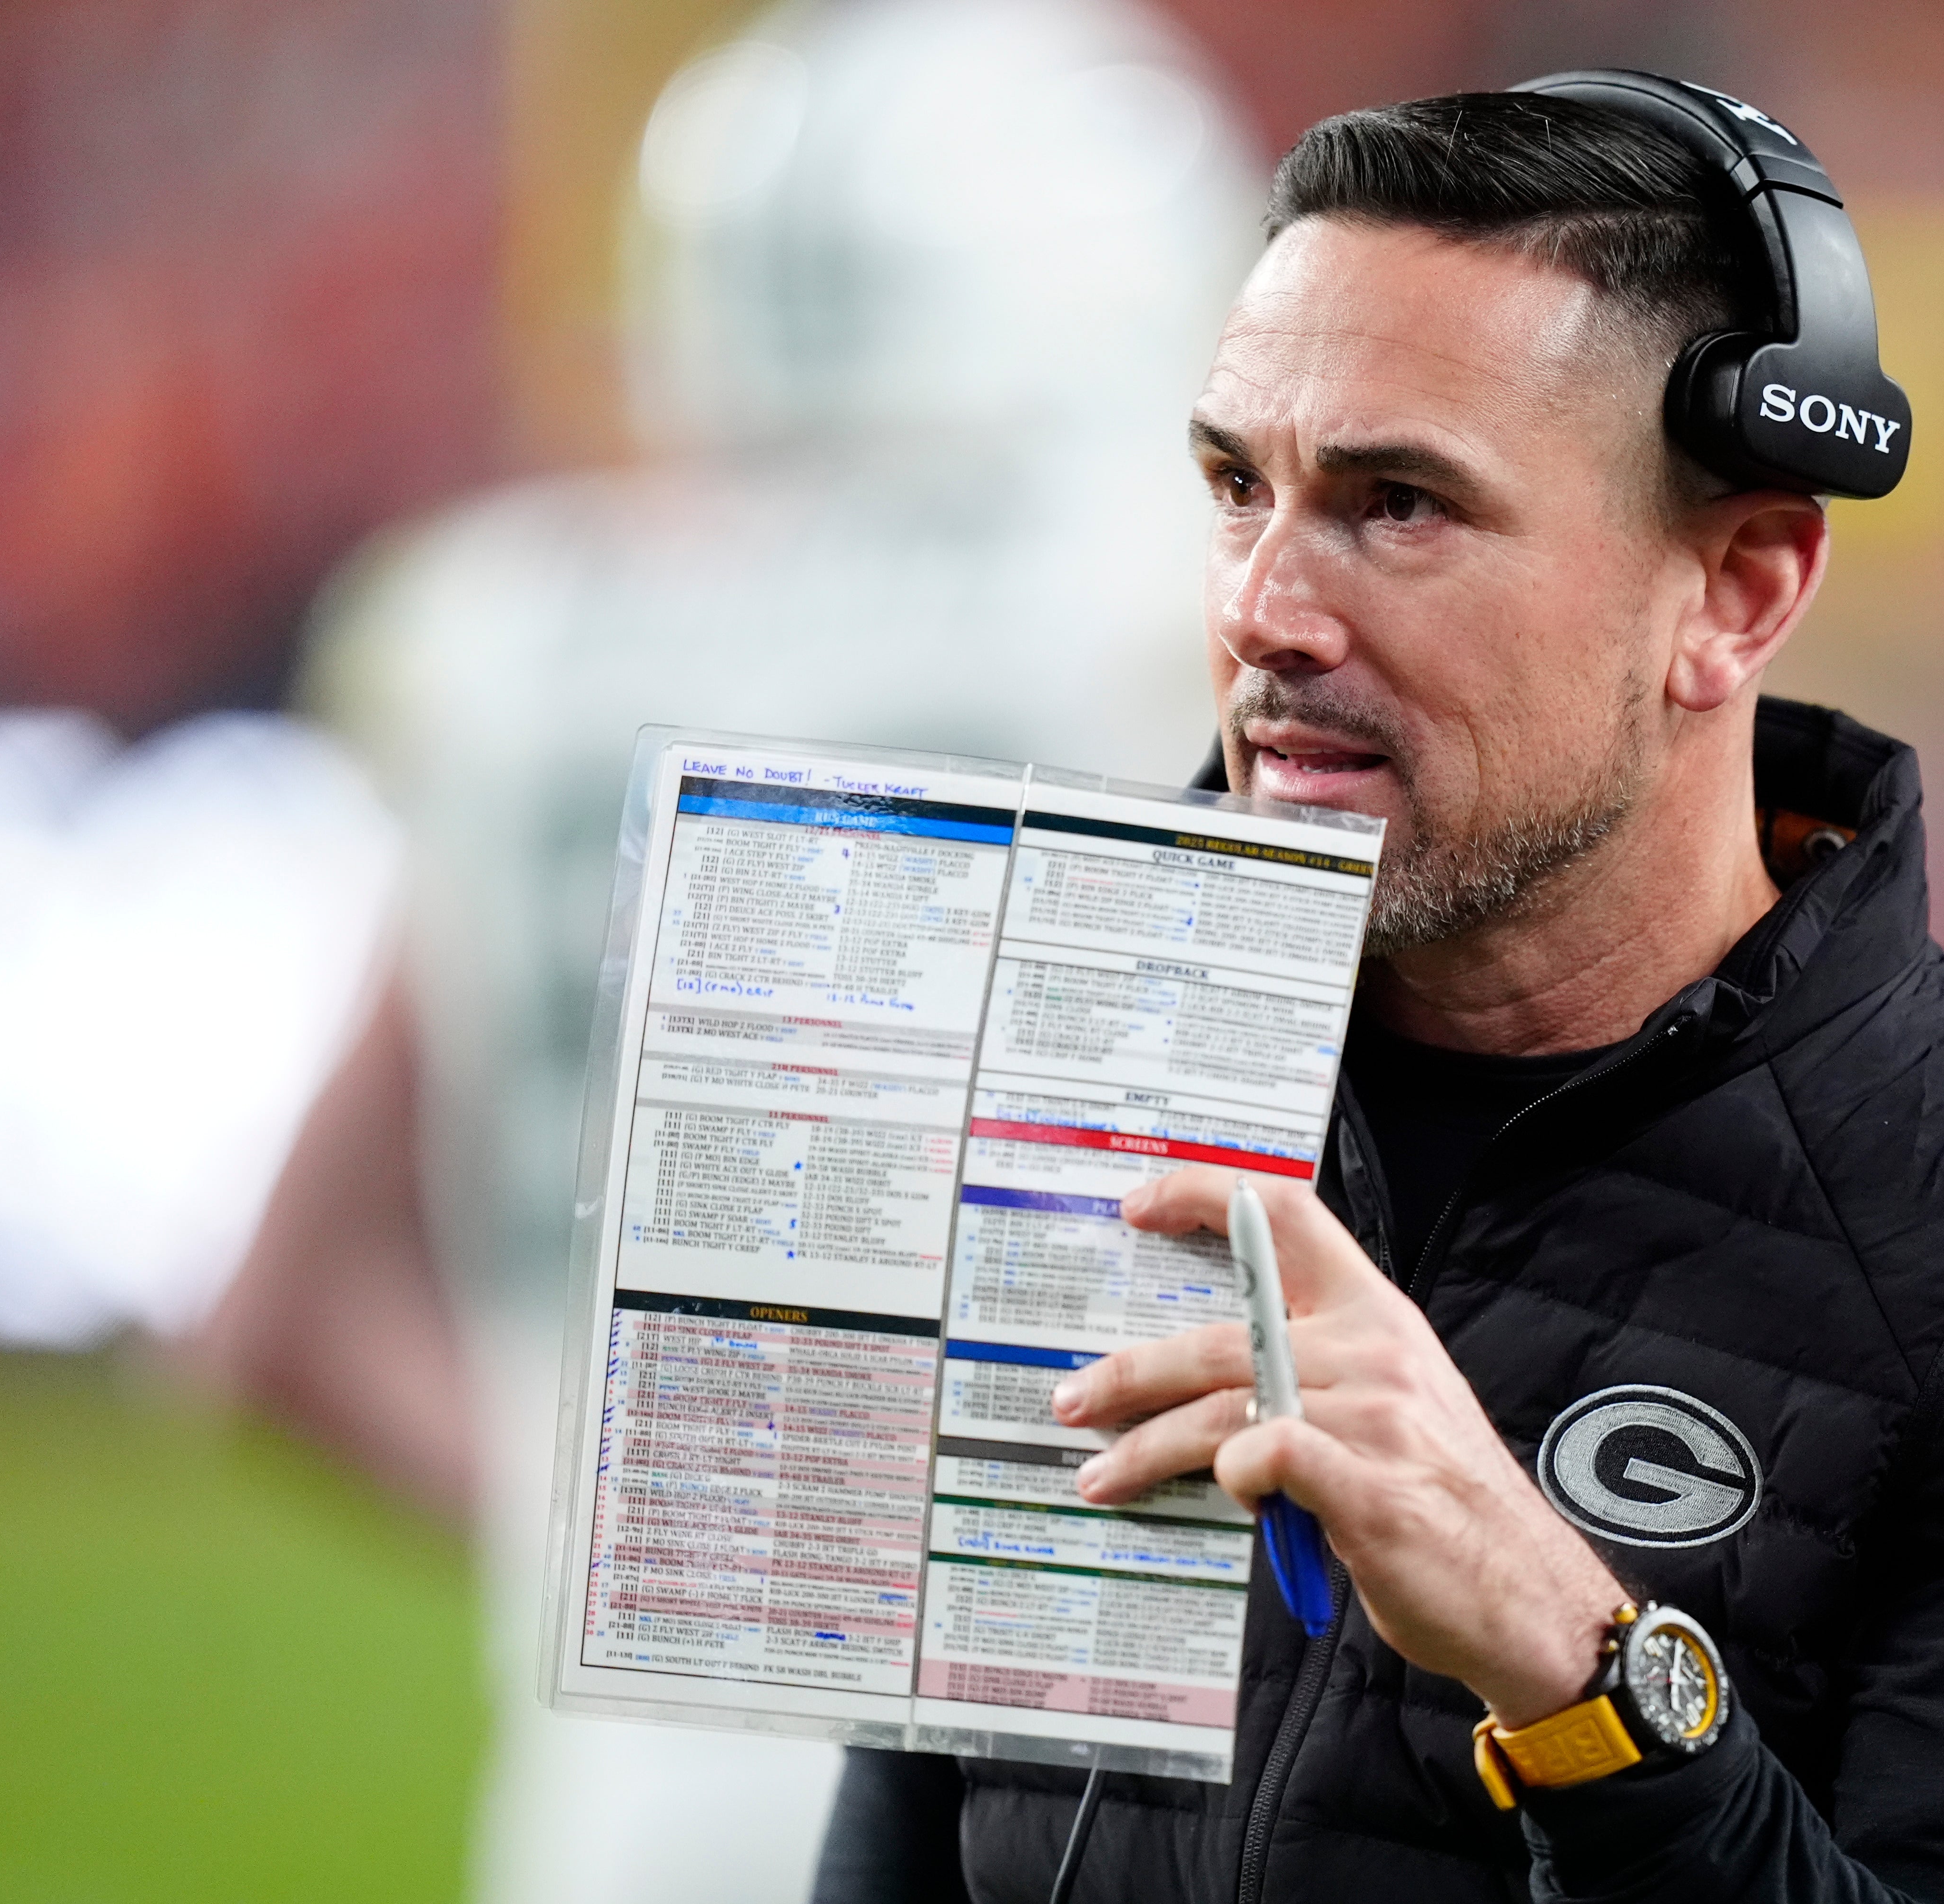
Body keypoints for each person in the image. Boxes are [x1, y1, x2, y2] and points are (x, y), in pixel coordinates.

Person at [814, 81, 1944, 1904]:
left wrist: (1584, 1674)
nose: (1263, 607)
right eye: (1238, 486)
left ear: (1738, 588)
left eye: (1399, 505)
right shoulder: (1088, 1059)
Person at [283, 1, 1263, 1897]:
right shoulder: (1180, 621)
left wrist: (641, 1552)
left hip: (622, 1825)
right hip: (1072, 1810)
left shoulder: (510, 641)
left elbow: (271, 1313)